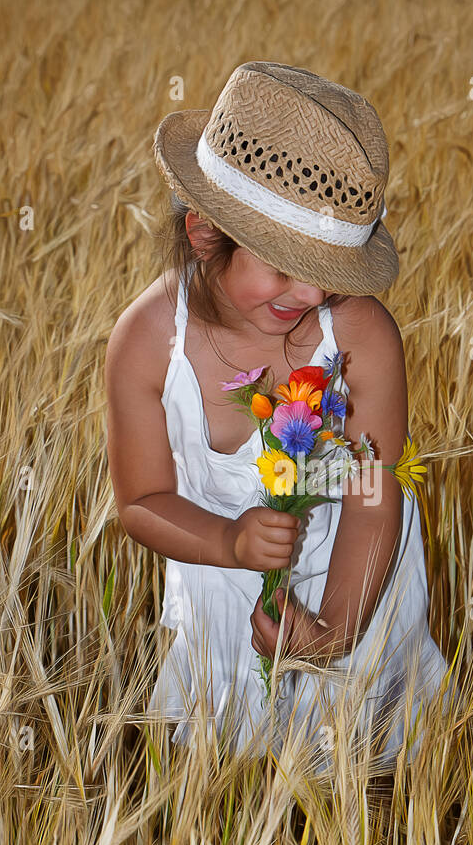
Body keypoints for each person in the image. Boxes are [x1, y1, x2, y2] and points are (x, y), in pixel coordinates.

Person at [105, 60, 448, 770]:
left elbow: (373, 493)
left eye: (329, 268)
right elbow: (141, 501)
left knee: (363, 773)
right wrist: (230, 542)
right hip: (221, 595)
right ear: (204, 236)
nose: (313, 290)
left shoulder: (358, 338)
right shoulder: (146, 343)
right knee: (227, 780)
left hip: (357, 588)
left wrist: (336, 632)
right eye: (286, 264)